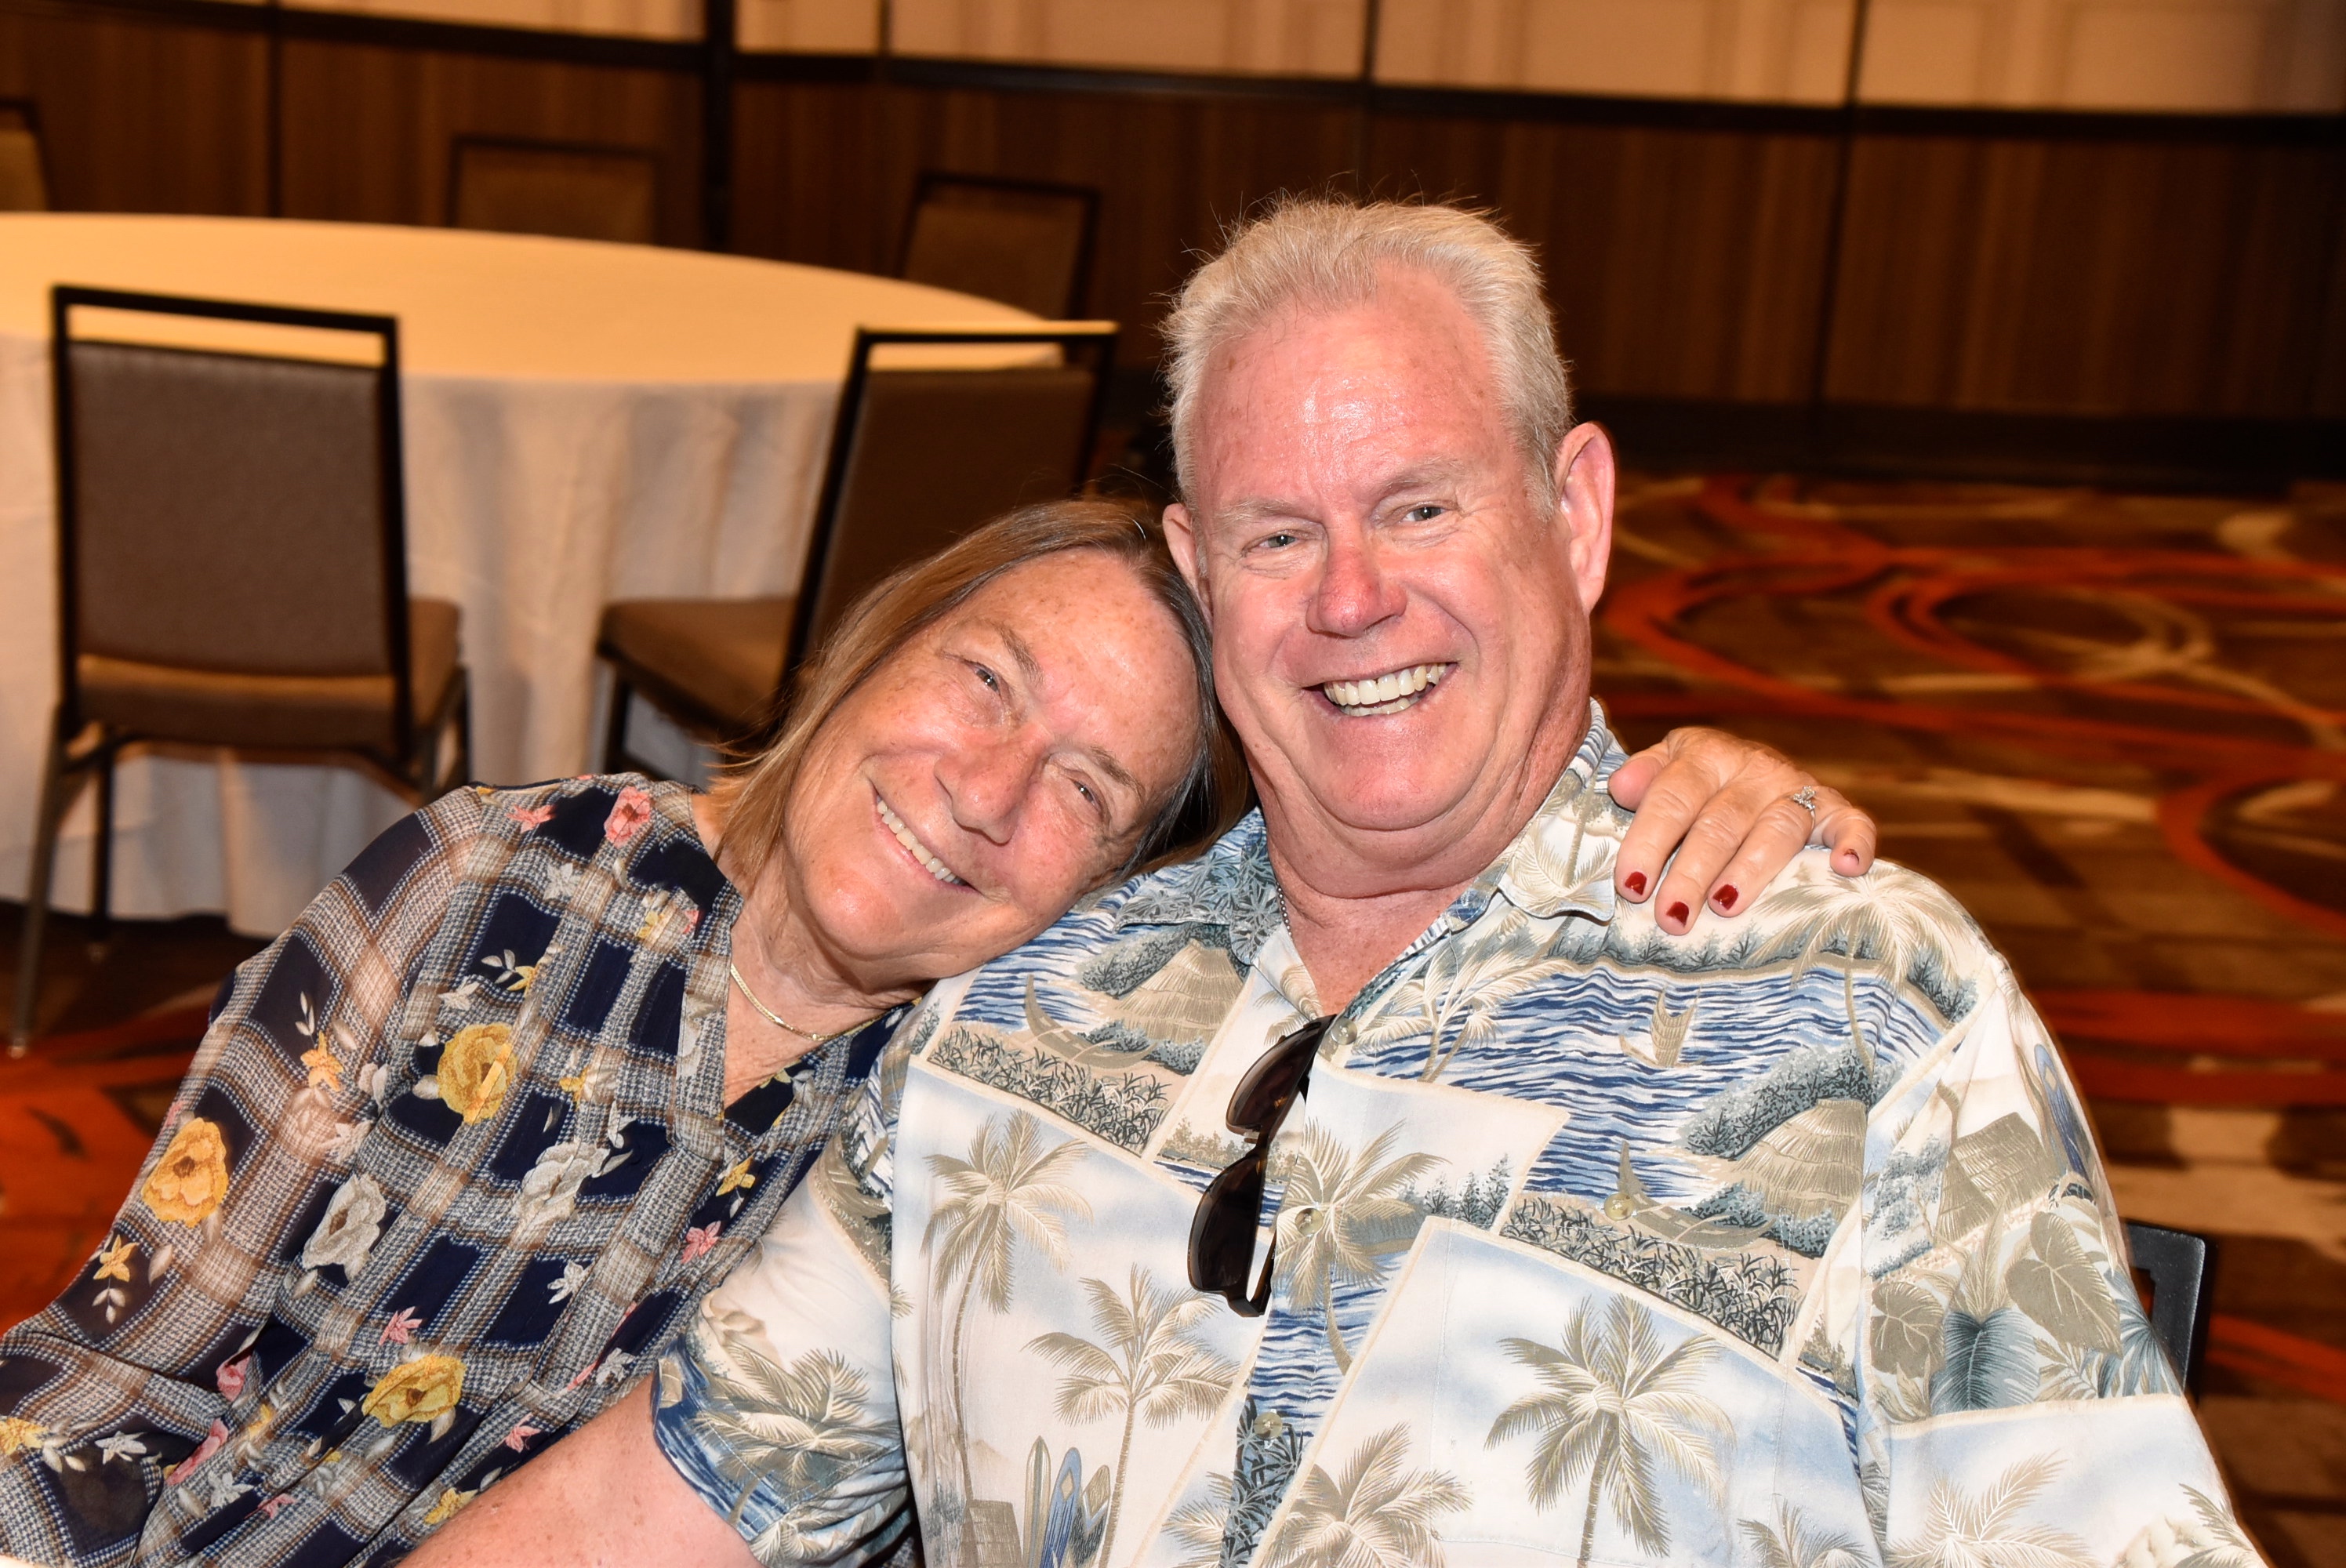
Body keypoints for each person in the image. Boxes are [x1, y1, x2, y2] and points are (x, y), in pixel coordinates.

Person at [416, 199, 2264, 1568]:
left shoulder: (1850, 1007)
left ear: (1574, 513)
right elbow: (642, 1510)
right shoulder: (1017, 1012)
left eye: (1418, 506)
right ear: (1196, 567)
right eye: (1277, 533)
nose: (1352, 596)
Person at [0, 500, 1866, 1568]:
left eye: (1085, 790)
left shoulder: (991, 1109)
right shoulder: (496, 880)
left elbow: (1423, 968)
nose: (982, 791)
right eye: (982, 680)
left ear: (1115, 894)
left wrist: (1679, 805)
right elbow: (126, 1361)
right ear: (874, 649)